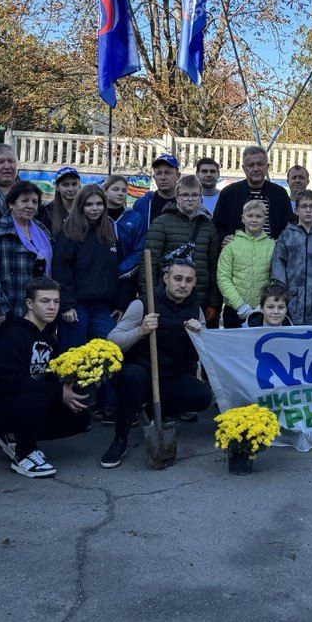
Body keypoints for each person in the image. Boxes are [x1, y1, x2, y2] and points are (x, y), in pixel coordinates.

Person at [100, 251, 214, 469]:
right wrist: (141, 330)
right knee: (133, 377)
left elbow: (205, 354)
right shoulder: (143, 304)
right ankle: (120, 439)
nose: (183, 285)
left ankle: (155, 411)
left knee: (202, 395)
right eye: (178, 278)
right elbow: (112, 341)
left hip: (172, 376)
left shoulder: (194, 309)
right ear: (166, 278)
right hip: (140, 374)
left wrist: (200, 336)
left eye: (189, 280)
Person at [0, 278, 90, 478]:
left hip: (30, 401)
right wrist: (58, 393)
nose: (52, 307)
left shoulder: (48, 337)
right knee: (38, 400)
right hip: (2, 406)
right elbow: (13, 382)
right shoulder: (12, 334)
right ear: (30, 304)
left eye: (56, 302)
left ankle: (15, 435)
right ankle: (23, 455)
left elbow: (50, 377)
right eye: (45, 301)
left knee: (80, 416)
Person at [51, 185, 122, 351]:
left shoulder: (109, 232)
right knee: (73, 355)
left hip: (103, 307)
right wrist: (67, 305)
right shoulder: (68, 232)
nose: (95, 208)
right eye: (89, 204)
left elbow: (116, 270)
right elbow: (61, 271)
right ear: (80, 206)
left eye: (99, 204)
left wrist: (119, 302)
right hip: (76, 306)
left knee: (108, 352)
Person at [145, 175, 221, 319]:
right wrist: (148, 298)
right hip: (165, 298)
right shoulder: (161, 222)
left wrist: (214, 302)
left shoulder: (208, 226)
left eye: (194, 195)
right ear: (177, 197)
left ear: (201, 197)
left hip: (199, 298)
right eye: (185, 195)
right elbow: (149, 264)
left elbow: (214, 266)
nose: (190, 199)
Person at [0, 180, 52, 330]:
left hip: (38, 310)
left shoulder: (42, 230)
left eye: (34, 202)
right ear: (11, 203)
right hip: (10, 308)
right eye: (24, 201)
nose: (31, 205)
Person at [271, 190, 312, 325]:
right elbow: (278, 270)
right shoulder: (286, 235)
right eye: (303, 206)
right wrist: (280, 302)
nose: (308, 210)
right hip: (291, 305)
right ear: (296, 210)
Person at [116, 153, 180, 278]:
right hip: (149, 269)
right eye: (159, 173)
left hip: (178, 269)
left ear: (178, 175)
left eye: (168, 172)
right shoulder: (142, 204)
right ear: (154, 176)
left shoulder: (186, 203)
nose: (163, 177)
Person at [213, 146, 292, 240]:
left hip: (272, 251)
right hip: (237, 251)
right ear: (243, 168)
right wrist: (223, 238)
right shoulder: (229, 193)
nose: (256, 169)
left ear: (267, 166)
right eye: (251, 165)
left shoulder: (279, 193)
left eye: (260, 164)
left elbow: (289, 225)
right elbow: (216, 225)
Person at [217, 200, 275, 326]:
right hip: (234, 310)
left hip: (263, 311)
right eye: (250, 216)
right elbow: (223, 278)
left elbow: (274, 278)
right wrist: (240, 306)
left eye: (258, 216)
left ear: (265, 220)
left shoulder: (272, 246)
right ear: (243, 218)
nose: (254, 220)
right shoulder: (231, 246)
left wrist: (264, 304)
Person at [38, 167, 82, 237]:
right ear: (57, 187)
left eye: (74, 184)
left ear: (79, 185)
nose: (70, 189)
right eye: (65, 185)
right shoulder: (46, 211)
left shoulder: (85, 210)